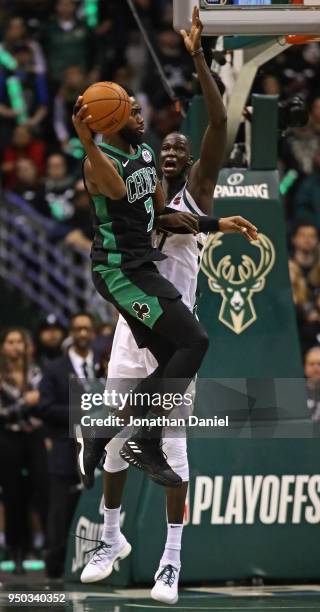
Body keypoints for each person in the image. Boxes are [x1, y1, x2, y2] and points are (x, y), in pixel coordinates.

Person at [79, 8, 258, 605]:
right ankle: (110, 539)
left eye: (181, 148)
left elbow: (217, 127)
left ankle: (171, 563)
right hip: (135, 324)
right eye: (170, 147)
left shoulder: (194, 189)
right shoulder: (137, 179)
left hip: (172, 318)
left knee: (170, 447)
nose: (175, 153)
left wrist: (199, 58)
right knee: (113, 448)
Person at [39, 312, 100, 578]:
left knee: (98, 510)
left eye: (87, 329)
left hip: (101, 453)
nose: (83, 333)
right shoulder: (54, 368)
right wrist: (81, 412)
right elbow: (45, 408)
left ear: (93, 333)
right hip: (65, 453)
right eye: (77, 329)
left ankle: (95, 563)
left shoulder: (106, 365)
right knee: (60, 515)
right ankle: (54, 569)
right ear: (71, 334)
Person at [0, 327, 47, 575]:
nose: (16, 346)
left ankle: (42, 546)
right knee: (12, 494)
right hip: (8, 438)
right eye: (11, 341)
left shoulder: (37, 372)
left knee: (41, 489)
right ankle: (15, 550)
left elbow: (45, 403)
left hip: (36, 437)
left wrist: (34, 403)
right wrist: (25, 402)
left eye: (19, 341)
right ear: (3, 347)